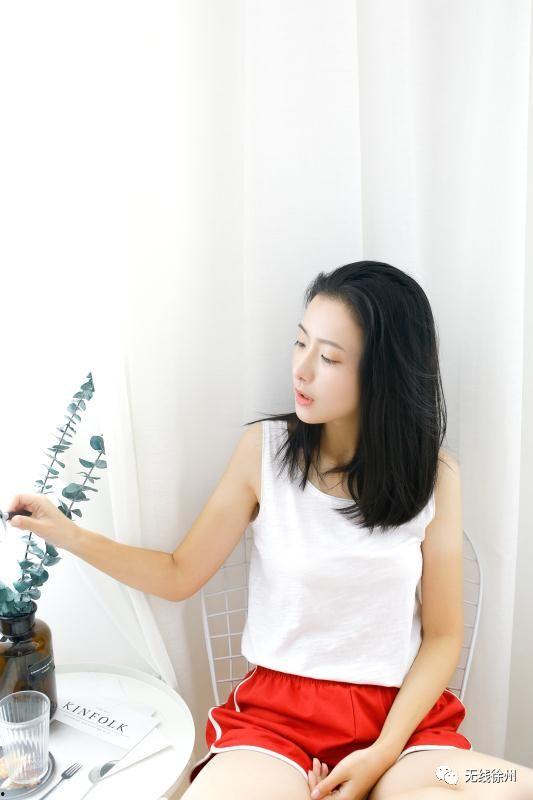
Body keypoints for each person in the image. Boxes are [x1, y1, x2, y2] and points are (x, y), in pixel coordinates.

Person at [7, 261, 533, 800]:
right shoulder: (264, 452)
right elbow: (178, 573)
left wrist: (380, 753)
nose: (301, 370)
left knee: (512, 785)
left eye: (329, 358)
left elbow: (443, 636)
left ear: (384, 373)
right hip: (278, 726)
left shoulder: (436, 476)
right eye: (300, 343)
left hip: (403, 733)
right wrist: (68, 533)